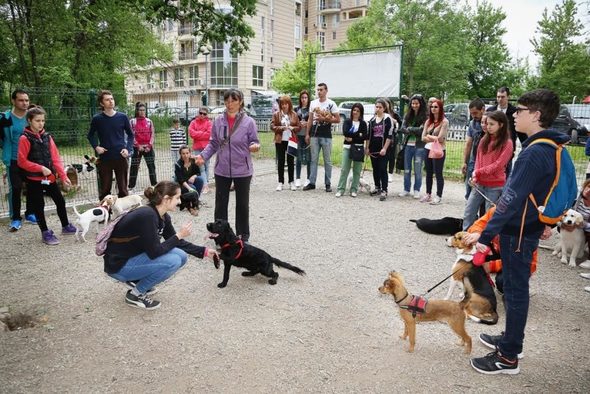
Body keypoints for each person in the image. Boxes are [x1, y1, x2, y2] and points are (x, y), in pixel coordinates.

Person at [471, 88, 569, 375]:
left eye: (521, 110)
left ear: (536, 115)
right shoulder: (549, 146)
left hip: (518, 233)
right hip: (528, 228)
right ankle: (512, 340)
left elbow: (509, 201)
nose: (514, 114)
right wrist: (546, 223)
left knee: (515, 293)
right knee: (516, 290)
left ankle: (508, 357)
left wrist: (485, 238)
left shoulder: (534, 153)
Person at [104, 181, 218, 310]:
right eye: (177, 198)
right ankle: (135, 295)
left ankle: (137, 280)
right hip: (119, 266)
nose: (180, 202)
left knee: (181, 256)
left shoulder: (162, 215)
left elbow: (176, 242)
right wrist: (178, 235)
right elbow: (155, 252)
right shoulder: (147, 216)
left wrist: (204, 251)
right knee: (173, 261)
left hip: (132, 257)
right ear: (166, 199)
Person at [195, 89, 260, 242]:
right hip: (222, 170)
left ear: (241, 102)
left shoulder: (249, 122)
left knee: (242, 205)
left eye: (234, 101)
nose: (230, 104)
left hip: (243, 170)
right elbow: (213, 143)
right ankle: (220, 237)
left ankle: (242, 236)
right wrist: (203, 156)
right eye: (227, 101)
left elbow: (254, 140)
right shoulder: (218, 120)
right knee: (220, 205)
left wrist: (255, 146)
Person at [16, 106, 77, 245]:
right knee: (39, 206)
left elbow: (55, 158)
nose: (41, 123)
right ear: (29, 121)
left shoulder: (47, 136)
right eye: (37, 120)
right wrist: (40, 168)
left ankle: (66, 226)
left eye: (43, 120)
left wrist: (63, 176)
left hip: (50, 179)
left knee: (60, 201)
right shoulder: (24, 139)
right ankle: (45, 232)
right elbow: (21, 161)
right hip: (34, 179)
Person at [462, 111, 513, 230]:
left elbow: (498, 165)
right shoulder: (483, 140)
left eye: (491, 124)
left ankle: (485, 243)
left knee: (489, 217)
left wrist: (478, 172)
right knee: (469, 212)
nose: (487, 127)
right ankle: (465, 238)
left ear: (501, 125)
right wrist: (475, 176)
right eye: (486, 123)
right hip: (479, 184)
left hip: (495, 186)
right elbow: (478, 161)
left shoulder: (507, 143)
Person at [87, 90, 134, 200]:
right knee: (105, 189)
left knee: (123, 189)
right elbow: (90, 135)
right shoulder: (97, 119)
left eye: (111, 99)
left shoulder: (122, 117)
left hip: (121, 157)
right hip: (105, 158)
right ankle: (105, 214)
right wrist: (96, 147)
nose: (111, 101)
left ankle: (123, 215)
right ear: (102, 103)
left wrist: (128, 149)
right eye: (107, 100)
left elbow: (131, 135)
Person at [2, 89, 37, 231]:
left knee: (32, 187)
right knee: (15, 188)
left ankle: (30, 213)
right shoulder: (5, 118)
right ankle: (15, 218)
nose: (24, 103)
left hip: (30, 159)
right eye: (21, 100)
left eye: (26, 100)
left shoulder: (31, 117)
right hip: (13, 159)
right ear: (13, 101)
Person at [304, 83, 339, 192]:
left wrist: (325, 119)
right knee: (313, 160)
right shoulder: (313, 103)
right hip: (315, 134)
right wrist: (307, 133)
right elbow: (310, 119)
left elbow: (337, 119)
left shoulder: (331, 103)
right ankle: (312, 182)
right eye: (318, 90)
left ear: (326, 91)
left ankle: (327, 183)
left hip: (326, 135)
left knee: (327, 161)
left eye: (321, 90)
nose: (319, 92)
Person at [398, 94, 428, 198]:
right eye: (413, 103)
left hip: (419, 146)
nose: (414, 105)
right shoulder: (408, 115)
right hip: (408, 145)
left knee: (418, 169)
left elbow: (422, 131)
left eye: (417, 103)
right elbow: (402, 128)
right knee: (407, 168)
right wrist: (413, 129)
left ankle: (417, 189)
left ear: (421, 104)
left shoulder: (425, 116)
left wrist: (410, 129)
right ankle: (406, 189)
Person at [336, 103, 368, 197]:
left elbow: (364, 136)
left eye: (358, 111)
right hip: (347, 148)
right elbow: (345, 132)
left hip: (358, 148)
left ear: (361, 112)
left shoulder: (363, 123)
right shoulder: (347, 121)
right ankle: (341, 189)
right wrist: (359, 134)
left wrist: (353, 137)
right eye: (354, 110)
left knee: (357, 170)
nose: (355, 112)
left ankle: (354, 189)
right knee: (344, 169)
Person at [420, 99, 449, 205]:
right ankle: (428, 193)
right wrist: (433, 138)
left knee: (438, 173)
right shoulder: (428, 121)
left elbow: (441, 138)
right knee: (428, 172)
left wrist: (429, 136)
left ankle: (439, 195)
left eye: (436, 107)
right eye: (432, 107)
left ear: (440, 108)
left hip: (438, 150)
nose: (433, 109)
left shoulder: (444, 122)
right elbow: (422, 137)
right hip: (427, 148)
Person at [366, 98, 395, 201]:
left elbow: (389, 135)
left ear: (384, 108)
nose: (378, 109)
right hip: (374, 148)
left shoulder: (387, 119)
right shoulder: (372, 120)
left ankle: (384, 189)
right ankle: (377, 187)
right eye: (376, 107)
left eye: (380, 107)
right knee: (375, 169)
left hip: (384, 148)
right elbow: (369, 135)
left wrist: (384, 148)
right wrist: (367, 148)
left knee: (383, 168)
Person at [271, 95, 300, 191]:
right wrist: (281, 128)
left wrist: (293, 128)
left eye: (286, 104)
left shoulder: (294, 114)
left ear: (289, 104)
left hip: (291, 140)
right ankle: (280, 182)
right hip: (280, 140)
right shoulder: (276, 114)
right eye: (282, 104)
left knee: (291, 161)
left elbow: (298, 127)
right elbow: (272, 126)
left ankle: (291, 182)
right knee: (281, 161)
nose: (284, 106)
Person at [128, 102, 157, 191]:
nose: (142, 112)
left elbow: (152, 134)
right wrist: (137, 145)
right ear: (137, 111)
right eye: (140, 110)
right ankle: (131, 187)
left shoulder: (149, 121)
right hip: (137, 148)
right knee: (134, 167)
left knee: (151, 166)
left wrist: (149, 145)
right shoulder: (132, 121)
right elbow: (131, 134)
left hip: (148, 148)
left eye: (143, 110)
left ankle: (154, 185)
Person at [461, 98, 486, 200]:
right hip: (473, 160)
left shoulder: (491, 122)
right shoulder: (472, 123)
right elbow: (468, 144)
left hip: (486, 162)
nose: (473, 116)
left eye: (475, 113)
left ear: (483, 110)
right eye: (471, 114)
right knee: (469, 190)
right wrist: (465, 162)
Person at [189, 107, 212, 193]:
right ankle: (205, 186)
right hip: (197, 147)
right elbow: (191, 133)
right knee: (201, 167)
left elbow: (209, 134)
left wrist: (197, 133)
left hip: (207, 148)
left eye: (204, 114)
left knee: (206, 166)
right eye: (201, 113)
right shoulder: (193, 122)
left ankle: (206, 184)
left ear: (207, 115)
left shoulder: (209, 123)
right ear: (198, 113)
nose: (202, 115)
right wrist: (203, 133)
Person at [174, 145, 204, 215]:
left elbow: (198, 173)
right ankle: (187, 203)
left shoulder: (193, 161)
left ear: (190, 153)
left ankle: (196, 201)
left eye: (187, 153)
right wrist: (189, 188)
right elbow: (180, 180)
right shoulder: (177, 164)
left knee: (200, 180)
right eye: (183, 153)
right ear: (180, 154)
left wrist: (193, 176)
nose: (186, 155)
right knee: (192, 188)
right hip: (181, 183)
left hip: (190, 181)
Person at [295, 90, 311, 188]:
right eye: (302, 97)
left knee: (308, 157)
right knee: (299, 157)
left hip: (308, 135)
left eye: (305, 97)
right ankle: (297, 178)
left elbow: (313, 122)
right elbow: (293, 121)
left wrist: (307, 124)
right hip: (298, 135)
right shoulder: (296, 109)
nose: (304, 99)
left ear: (308, 99)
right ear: (300, 99)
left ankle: (308, 178)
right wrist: (298, 124)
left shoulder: (311, 109)